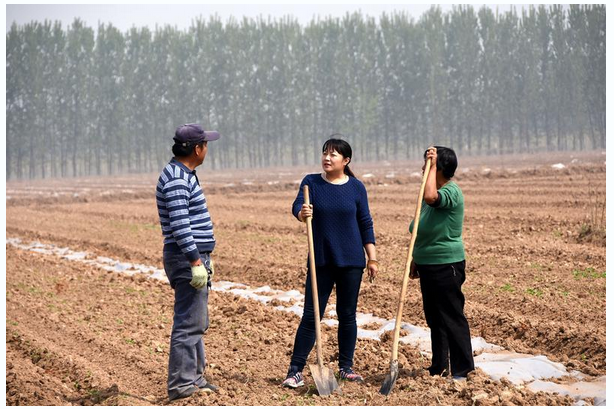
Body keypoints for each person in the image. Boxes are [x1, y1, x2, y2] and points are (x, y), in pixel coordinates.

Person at [282, 137, 378, 388]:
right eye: (325, 152)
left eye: (333, 154)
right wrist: (301, 213)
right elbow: (296, 207)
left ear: (345, 161)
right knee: (311, 315)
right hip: (321, 260)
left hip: (351, 262)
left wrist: (372, 257)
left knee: (347, 315)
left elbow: (365, 222)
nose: (327, 157)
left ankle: (346, 367)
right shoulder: (310, 183)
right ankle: (295, 371)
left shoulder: (356, 187)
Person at [156, 123, 220, 401]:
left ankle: (194, 378)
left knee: (197, 321)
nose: (207, 149)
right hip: (185, 258)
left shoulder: (185, 174)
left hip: (194, 257)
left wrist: (206, 257)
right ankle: (181, 386)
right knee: (188, 323)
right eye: (205, 144)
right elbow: (181, 225)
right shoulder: (176, 179)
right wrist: (195, 260)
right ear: (197, 149)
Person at [409, 146, 475, 381]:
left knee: (451, 315)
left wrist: (433, 165)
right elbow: (422, 229)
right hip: (428, 264)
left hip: (446, 264)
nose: (422, 170)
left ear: (440, 168)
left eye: (427, 167)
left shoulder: (451, 191)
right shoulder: (430, 194)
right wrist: (417, 258)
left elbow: (431, 197)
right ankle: (440, 366)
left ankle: (464, 369)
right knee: (434, 317)